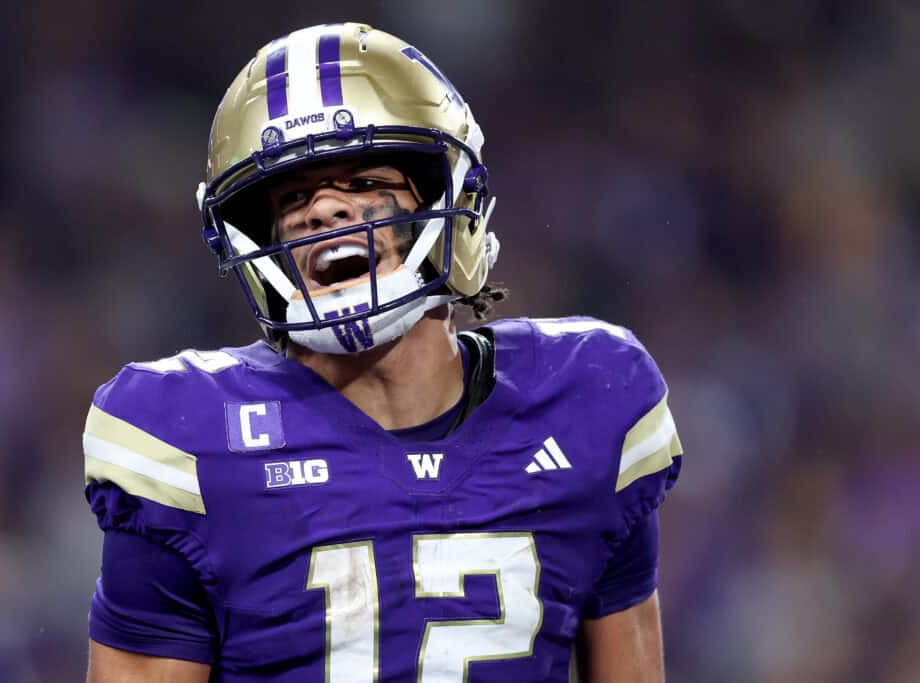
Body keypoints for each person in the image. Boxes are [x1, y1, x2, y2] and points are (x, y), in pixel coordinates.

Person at [83, 22, 682, 683]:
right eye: (294, 197)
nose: (324, 209)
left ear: (448, 195)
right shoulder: (185, 441)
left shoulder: (588, 401)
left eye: (364, 180)